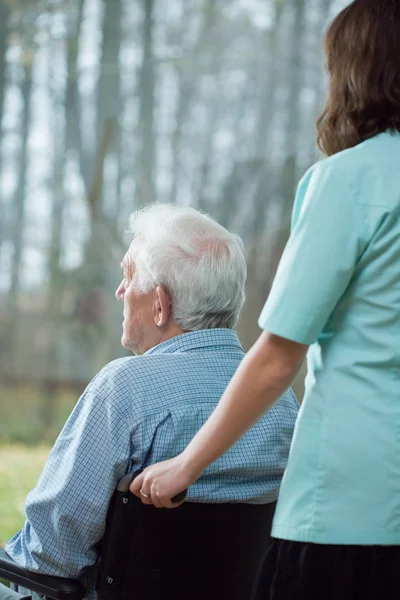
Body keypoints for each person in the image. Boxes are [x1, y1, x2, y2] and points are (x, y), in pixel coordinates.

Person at [131, 2, 400, 599]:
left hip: (348, 507)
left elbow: (279, 357)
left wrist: (187, 466)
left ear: (356, 70)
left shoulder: (350, 180)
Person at [2, 204, 299, 600]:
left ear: (160, 304)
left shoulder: (124, 388)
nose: (120, 291)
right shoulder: (278, 401)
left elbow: (49, 560)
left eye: (128, 276)